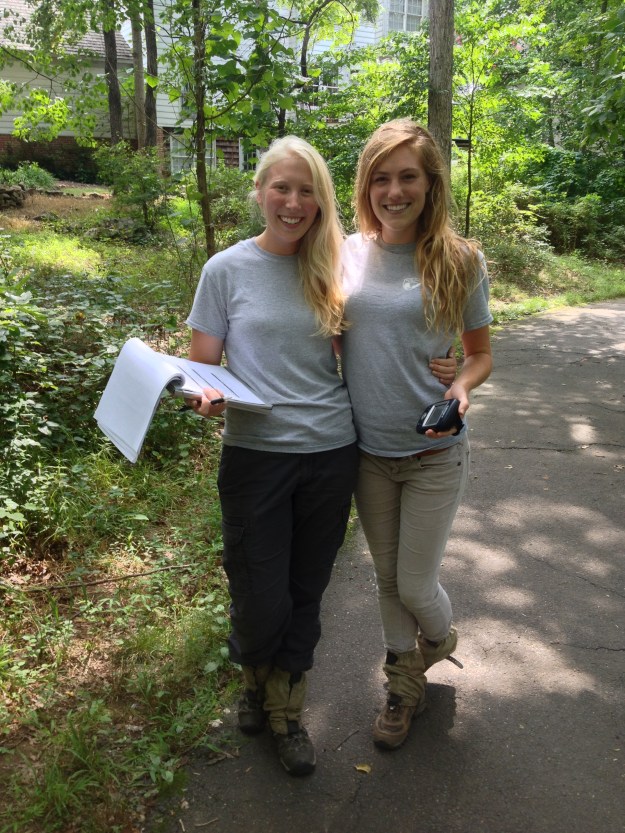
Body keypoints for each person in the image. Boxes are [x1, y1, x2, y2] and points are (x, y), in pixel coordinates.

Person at [185, 135, 457, 776]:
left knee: (305, 590)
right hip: (256, 456)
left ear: (321, 201)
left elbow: (391, 325)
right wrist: (203, 397)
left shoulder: (337, 265)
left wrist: (449, 364)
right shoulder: (224, 270)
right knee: (258, 593)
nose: (293, 202)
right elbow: (201, 368)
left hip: (332, 452)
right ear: (259, 192)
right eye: (281, 188)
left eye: (307, 191)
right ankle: (254, 677)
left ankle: (286, 711)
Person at [340, 119, 493, 750]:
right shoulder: (344, 253)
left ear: (431, 185)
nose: (394, 191)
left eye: (408, 177)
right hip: (367, 453)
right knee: (386, 579)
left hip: (434, 454)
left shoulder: (460, 259)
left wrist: (462, 386)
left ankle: (440, 638)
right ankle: (403, 686)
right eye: (381, 178)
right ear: (366, 185)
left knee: (413, 583)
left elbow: (480, 354)